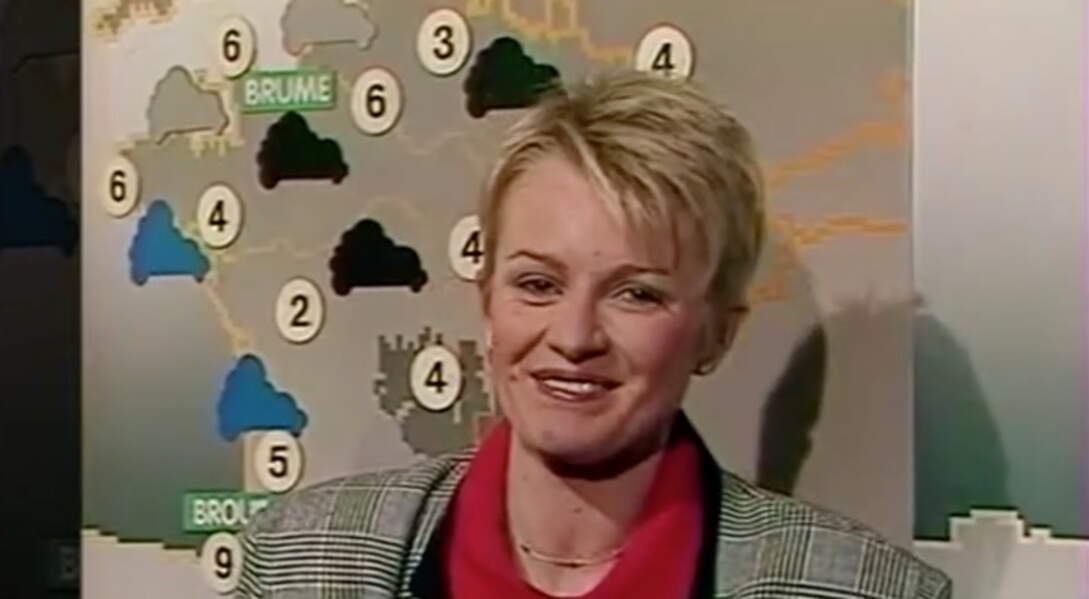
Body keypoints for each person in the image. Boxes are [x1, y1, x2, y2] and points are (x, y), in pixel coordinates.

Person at [235, 70, 950, 599]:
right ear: (487, 300)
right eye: (537, 284)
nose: (574, 336)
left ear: (715, 334)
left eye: (637, 294)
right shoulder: (302, 563)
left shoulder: (862, 591)